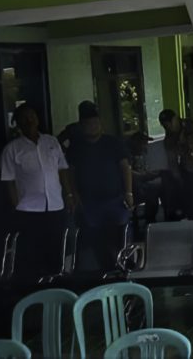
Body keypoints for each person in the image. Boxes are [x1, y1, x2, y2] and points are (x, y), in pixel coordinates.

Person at [0, 103, 74, 282]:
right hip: (29, 209)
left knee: (57, 247)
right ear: (17, 123)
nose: (29, 120)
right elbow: (8, 180)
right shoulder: (12, 149)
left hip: (55, 205)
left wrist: (69, 195)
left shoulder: (51, 142)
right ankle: (35, 286)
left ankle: (56, 282)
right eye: (24, 117)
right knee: (33, 251)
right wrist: (16, 205)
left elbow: (62, 169)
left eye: (32, 115)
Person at [66, 105, 133, 271]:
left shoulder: (113, 142)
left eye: (96, 123)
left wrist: (129, 192)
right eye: (88, 124)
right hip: (89, 203)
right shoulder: (76, 147)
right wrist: (73, 194)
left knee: (121, 237)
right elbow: (70, 173)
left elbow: (125, 167)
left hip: (115, 199)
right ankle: (107, 271)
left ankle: (127, 269)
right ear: (82, 126)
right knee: (95, 239)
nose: (93, 126)